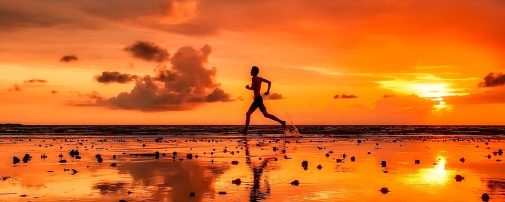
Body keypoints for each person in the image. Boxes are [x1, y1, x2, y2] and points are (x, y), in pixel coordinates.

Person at [243, 66, 286, 135]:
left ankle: (245, 131)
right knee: (266, 114)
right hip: (259, 99)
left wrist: (248, 88)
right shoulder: (259, 78)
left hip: (257, 99)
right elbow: (269, 82)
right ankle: (282, 122)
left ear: (254, 72)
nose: (250, 72)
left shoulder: (254, 78)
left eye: (251, 70)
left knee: (248, 114)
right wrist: (267, 91)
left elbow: (253, 88)